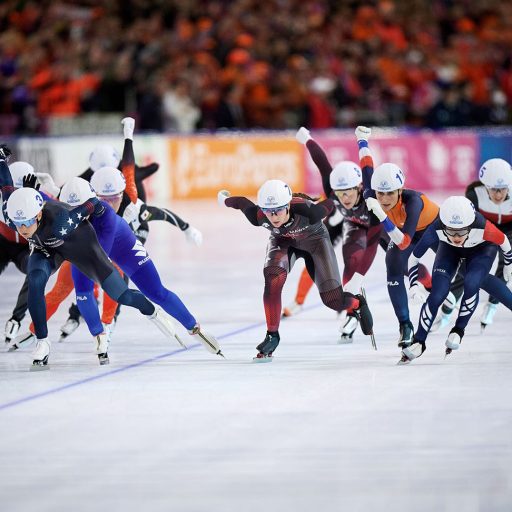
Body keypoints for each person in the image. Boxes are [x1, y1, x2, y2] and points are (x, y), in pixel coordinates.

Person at [0, 145, 215, 370]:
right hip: (62, 246)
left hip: (104, 249)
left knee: (140, 292)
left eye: (116, 197)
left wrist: (187, 228)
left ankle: (170, 318)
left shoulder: (102, 213)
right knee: (46, 285)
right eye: (18, 223)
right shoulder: (20, 212)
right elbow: (14, 191)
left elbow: (140, 212)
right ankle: (43, 339)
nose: (22, 229)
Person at [58, 119, 203, 341]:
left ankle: (111, 317)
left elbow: (158, 210)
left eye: (114, 197)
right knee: (87, 285)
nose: (109, 202)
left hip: (127, 240)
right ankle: (90, 318)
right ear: (93, 195)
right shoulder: (87, 199)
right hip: (100, 244)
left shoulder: (131, 199)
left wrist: (186, 227)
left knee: (144, 287)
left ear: (122, 193)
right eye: (103, 198)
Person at [283, 127, 432, 343]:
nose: (344, 197)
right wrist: (307, 139)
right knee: (349, 264)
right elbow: (322, 163)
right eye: (340, 193)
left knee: (405, 265)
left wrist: (359, 278)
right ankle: (353, 312)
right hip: (354, 225)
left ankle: (430, 285)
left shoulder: (370, 193)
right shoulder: (332, 189)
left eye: (349, 192)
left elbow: (372, 246)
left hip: (378, 227)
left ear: (359, 187)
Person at [218, 178, 374, 361]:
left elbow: (332, 203)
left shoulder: (310, 212)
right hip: (283, 242)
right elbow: (241, 202)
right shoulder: (258, 216)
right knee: (273, 278)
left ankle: (357, 303)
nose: (274, 217)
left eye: (278, 211)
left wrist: (348, 203)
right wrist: (224, 199)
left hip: (315, 243)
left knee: (333, 301)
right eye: (269, 212)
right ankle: (272, 335)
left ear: (288, 206)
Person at [400, 196, 512, 364]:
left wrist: (508, 266)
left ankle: (458, 330)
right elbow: (413, 259)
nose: (456, 237)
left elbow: (505, 243)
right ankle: (419, 341)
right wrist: (413, 284)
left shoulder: (484, 227)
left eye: (461, 231)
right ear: (443, 225)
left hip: (481, 250)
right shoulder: (436, 228)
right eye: (451, 231)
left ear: (471, 224)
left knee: (472, 281)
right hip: (449, 251)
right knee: (437, 293)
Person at [356, 126, 440, 347]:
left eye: (390, 193)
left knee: (453, 265)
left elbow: (405, 241)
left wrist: (382, 215)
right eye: (380, 193)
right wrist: (362, 140)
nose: (384, 198)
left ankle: (445, 297)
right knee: (394, 265)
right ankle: (405, 325)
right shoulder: (370, 192)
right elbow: (366, 165)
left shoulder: (413, 202)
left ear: (400, 191)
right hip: (400, 230)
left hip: (431, 227)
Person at [431, 158, 512, 332]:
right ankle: (446, 310)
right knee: (467, 266)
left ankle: (492, 304)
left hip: (509, 229)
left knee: (506, 266)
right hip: (484, 228)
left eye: (503, 190)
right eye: (494, 190)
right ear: (485, 186)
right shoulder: (474, 193)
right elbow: (467, 222)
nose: (498, 195)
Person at [2, 162, 59, 343]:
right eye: (13, 191)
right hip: (2, 245)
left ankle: (16, 319)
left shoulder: (38, 199)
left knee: (36, 271)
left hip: (26, 248)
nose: (15, 197)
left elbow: (63, 210)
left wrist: (55, 192)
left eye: (21, 192)